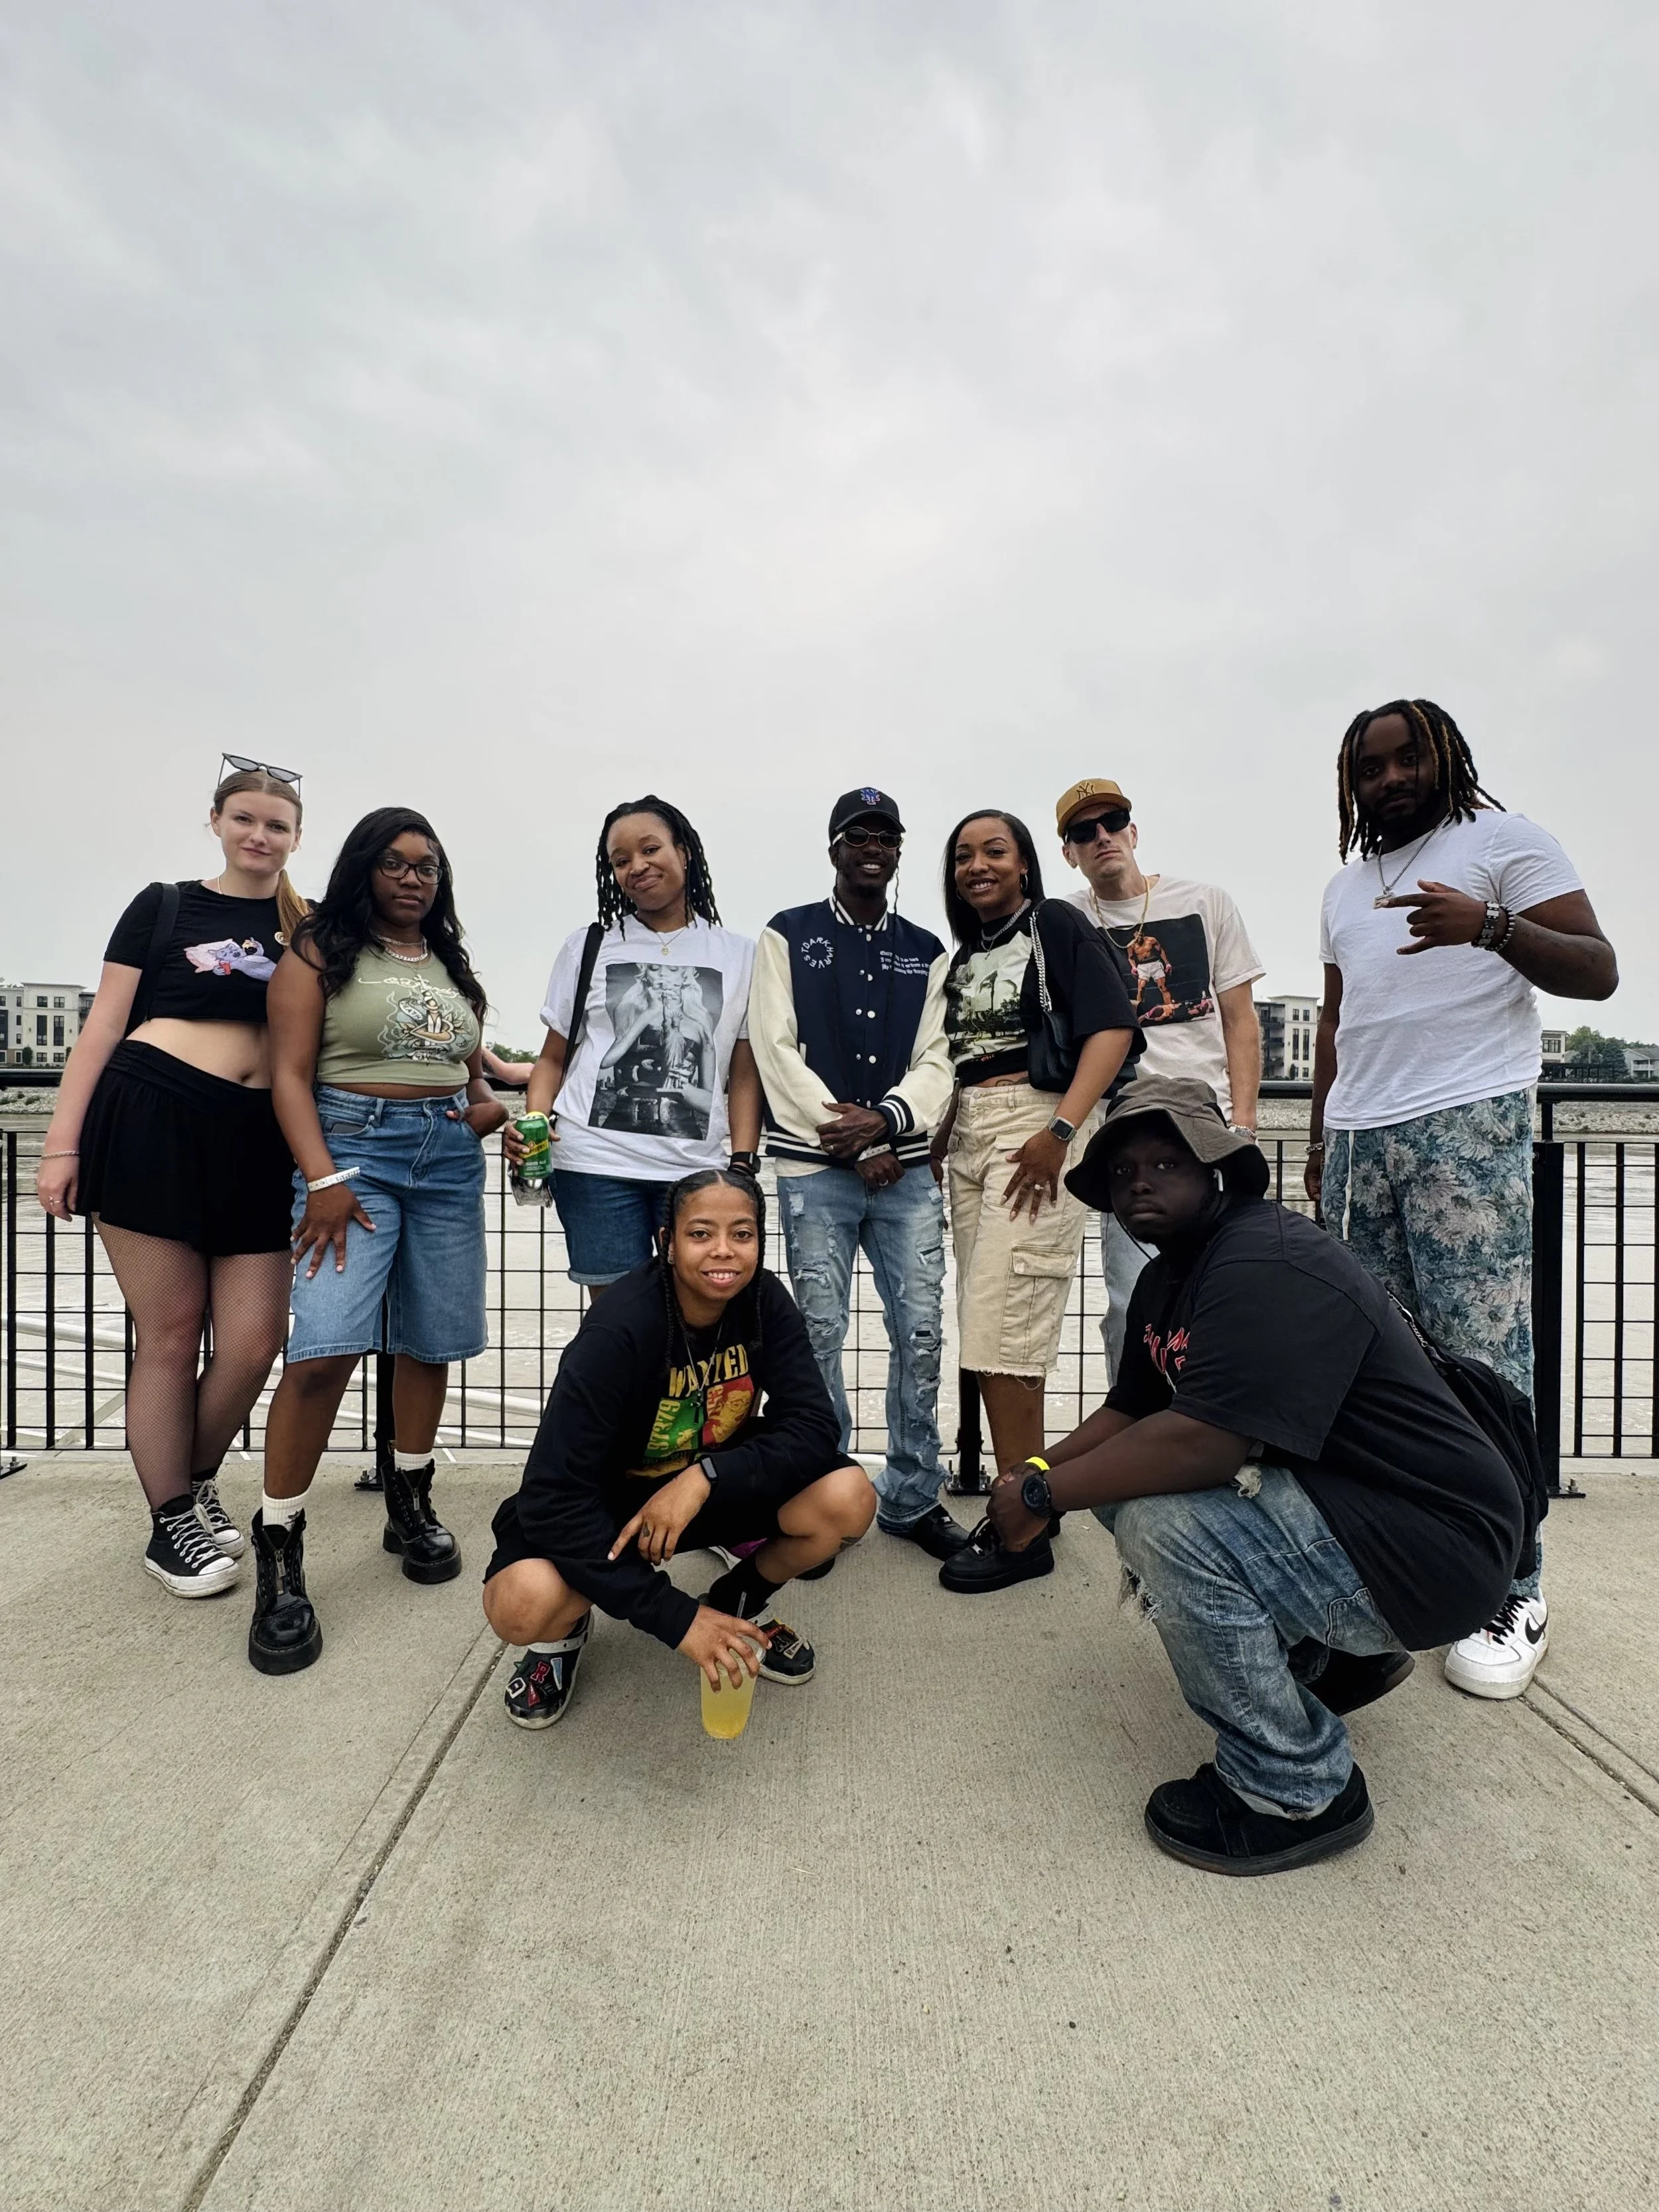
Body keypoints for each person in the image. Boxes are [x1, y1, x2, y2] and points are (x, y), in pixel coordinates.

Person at [985, 1078, 1535, 1875]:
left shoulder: (1264, 1260)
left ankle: (1295, 1789)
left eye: (1167, 1162)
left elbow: (1204, 1445)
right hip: (1361, 1519)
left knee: (1159, 1521)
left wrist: (1044, 1498)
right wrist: (1031, 1473)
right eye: (1121, 1170)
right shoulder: (1167, 1275)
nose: (1139, 1180)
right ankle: (1331, 1657)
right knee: (1126, 1486)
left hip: (1433, 1550)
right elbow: (1132, 1412)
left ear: (1219, 1171)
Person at [1307, 700, 1617, 1700]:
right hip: (1360, 1138)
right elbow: (1339, 1017)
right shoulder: (1345, 886)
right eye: (1370, 768)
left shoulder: (1507, 841)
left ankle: (1514, 1585)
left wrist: (1489, 924)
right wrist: (1320, 1136)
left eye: (1408, 758)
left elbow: (1599, 971)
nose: (1390, 779)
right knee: (1373, 1365)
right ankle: (1399, 1566)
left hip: (1465, 1126)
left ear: (1445, 755)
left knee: (1485, 1360)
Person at [35, 761, 307, 1597]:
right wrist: (61, 1146)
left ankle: (181, 1490)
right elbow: (103, 1028)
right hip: (153, 1115)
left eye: (278, 825)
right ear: (217, 822)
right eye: (245, 820)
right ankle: (170, 1526)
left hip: (259, 1139)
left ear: (296, 837)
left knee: (256, 1340)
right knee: (172, 1330)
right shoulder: (164, 905)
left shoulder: (311, 924)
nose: (259, 836)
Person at [250, 808, 508, 1674]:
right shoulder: (319, 953)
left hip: (443, 1162)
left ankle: (410, 1499)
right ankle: (280, 1548)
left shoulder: (449, 969)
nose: (413, 878)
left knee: (428, 1344)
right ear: (364, 869)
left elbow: (471, 1080)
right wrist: (322, 1179)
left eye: (428, 867)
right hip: (350, 1154)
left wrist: (489, 1111)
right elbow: (288, 1076)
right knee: (325, 1350)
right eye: (397, 864)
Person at [482, 1169, 877, 1726]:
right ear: (667, 1241)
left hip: (707, 1492)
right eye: (701, 1234)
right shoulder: (618, 1330)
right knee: (522, 1602)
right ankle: (560, 1640)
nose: (724, 1251)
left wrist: (705, 1478)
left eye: (742, 1234)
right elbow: (551, 1498)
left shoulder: (765, 1300)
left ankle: (734, 1607)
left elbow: (814, 1424)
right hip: (615, 1512)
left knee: (849, 1496)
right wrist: (678, 1619)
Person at [749, 787, 965, 1561]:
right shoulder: (786, 935)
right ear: (834, 847)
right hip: (818, 1171)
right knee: (817, 1334)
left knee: (919, 1329)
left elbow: (939, 1059)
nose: (872, 846)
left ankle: (912, 1495)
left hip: (903, 1173)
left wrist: (890, 1123)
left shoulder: (927, 949)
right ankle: (826, 1489)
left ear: (899, 850)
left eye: (886, 836)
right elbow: (775, 1049)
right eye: (857, 834)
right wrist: (852, 1138)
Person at [931, 810, 1141, 1595]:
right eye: (963, 856)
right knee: (991, 1326)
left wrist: (1061, 1129)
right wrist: (946, 1131)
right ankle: (1027, 1501)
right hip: (973, 1137)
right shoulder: (967, 953)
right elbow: (962, 1060)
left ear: (1024, 866)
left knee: (1005, 1324)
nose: (977, 865)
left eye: (994, 851)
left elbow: (1113, 1028)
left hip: (1035, 1126)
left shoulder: (1052, 923)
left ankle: (1022, 1521)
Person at [508, 796, 762, 1293]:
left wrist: (743, 1163)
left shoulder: (739, 954)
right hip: (593, 1164)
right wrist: (533, 1124)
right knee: (616, 1318)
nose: (637, 867)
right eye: (621, 861)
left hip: (693, 1170)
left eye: (650, 849)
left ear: (684, 852)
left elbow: (744, 1071)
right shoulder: (588, 946)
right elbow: (553, 1058)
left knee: (697, 1312)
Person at [1056, 776, 1264, 1380]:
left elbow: (1240, 1019)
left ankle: (1220, 1430)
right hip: (1120, 1130)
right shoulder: (1064, 918)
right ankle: (1134, 1436)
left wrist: (1244, 1125)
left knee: (1224, 1290)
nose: (1101, 838)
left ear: (1134, 831)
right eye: (1082, 831)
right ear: (1068, 851)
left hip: (1206, 1127)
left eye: (1112, 822)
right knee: (1132, 1298)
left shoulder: (1206, 901)